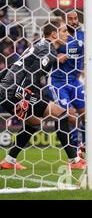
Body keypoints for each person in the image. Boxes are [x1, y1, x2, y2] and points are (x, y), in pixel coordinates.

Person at [0, 19, 86, 170]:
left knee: (33, 123)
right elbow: (30, 79)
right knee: (62, 115)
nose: (68, 34)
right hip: (15, 91)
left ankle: (9, 160)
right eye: (64, 31)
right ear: (54, 34)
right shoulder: (48, 52)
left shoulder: (40, 44)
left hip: (7, 91)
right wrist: (32, 100)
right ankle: (74, 160)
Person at [50, 10, 85, 158]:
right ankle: (75, 148)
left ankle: (85, 146)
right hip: (58, 82)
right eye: (69, 19)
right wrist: (55, 56)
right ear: (64, 21)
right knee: (69, 115)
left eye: (75, 18)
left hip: (74, 80)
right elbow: (48, 50)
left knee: (85, 114)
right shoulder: (60, 35)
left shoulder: (83, 35)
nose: (73, 21)